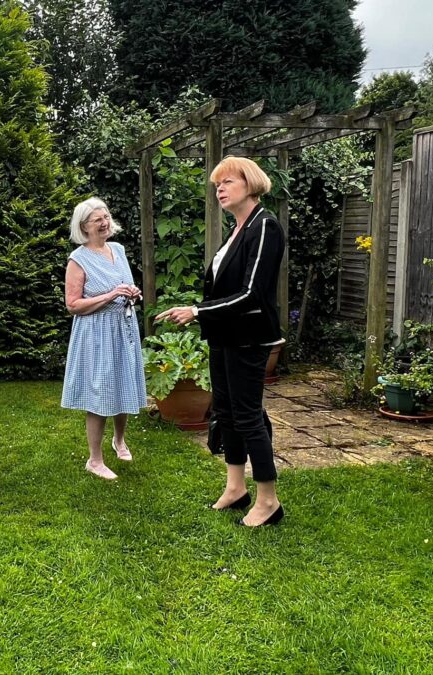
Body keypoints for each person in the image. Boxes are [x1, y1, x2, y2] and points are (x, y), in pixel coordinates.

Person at [156, 156, 286, 527]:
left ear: (251, 183)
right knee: (226, 412)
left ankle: (268, 500)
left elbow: (252, 294)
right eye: (217, 186)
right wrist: (203, 314)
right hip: (225, 338)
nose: (220, 190)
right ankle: (235, 487)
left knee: (248, 416)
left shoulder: (265, 227)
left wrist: (196, 311)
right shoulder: (237, 230)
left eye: (227, 182)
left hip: (249, 339)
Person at [61, 198, 147, 480]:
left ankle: (119, 440)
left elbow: (124, 285)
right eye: (97, 219)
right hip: (96, 334)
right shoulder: (78, 259)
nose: (104, 222)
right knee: (99, 393)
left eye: (106, 216)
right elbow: (73, 305)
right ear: (84, 226)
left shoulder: (118, 250)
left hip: (123, 329)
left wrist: (132, 293)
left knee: (124, 383)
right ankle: (94, 460)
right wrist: (111, 295)